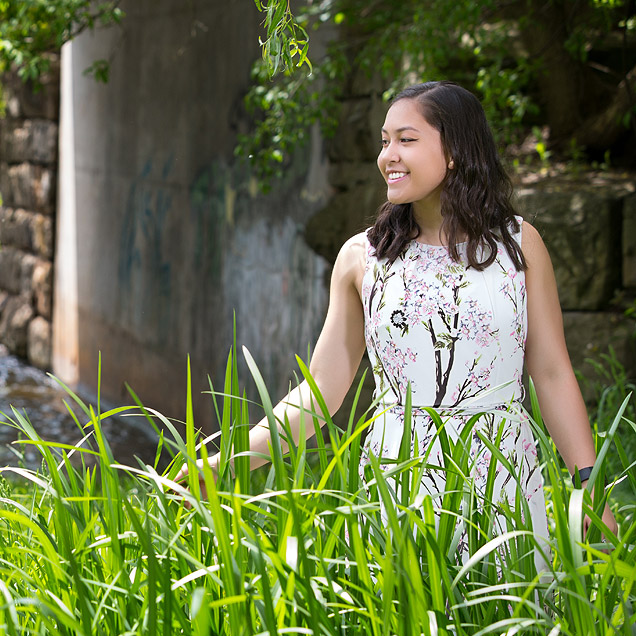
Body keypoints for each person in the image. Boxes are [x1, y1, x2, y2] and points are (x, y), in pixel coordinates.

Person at [182, 80, 618, 567]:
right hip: (398, 484)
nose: (389, 154)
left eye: (406, 140)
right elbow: (320, 391)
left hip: (504, 482)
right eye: (384, 141)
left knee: (512, 632)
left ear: (454, 150)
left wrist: (589, 488)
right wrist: (231, 460)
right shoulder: (361, 257)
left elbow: (553, 373)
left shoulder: (519, 246)